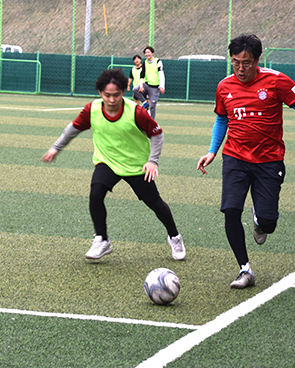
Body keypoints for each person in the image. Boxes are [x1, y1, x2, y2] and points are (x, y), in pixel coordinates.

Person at [196, 34, 295, 289]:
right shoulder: (224, 87)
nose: (241, 68)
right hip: (235, 157)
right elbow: (222, 119)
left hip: (269, 160)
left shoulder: (275, 81)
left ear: (257, 60)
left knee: (268, 222)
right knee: (230, 211)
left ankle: (259, 219)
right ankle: (245, 269)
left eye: (246, 62)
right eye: (236, 62)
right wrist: (212, 151)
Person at [41, 68, 186, 261]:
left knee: (155, 204)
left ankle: (174, 237)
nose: (111, 99)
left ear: (123, 92)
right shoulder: (92, 109)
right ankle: (102, 239)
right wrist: (56, 148)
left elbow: (157, 134)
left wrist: (152, 161)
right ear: (100, 93)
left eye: (116, 95)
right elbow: (73, 128)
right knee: (96, 192)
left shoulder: (135, 112)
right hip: (107, 161)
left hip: (136, 165)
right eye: (107, 95)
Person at [138, 46, 165, 119]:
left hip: (155, 88)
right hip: (147, 85)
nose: (147, 54)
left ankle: (152, 121)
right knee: (135, 89)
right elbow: (142, 75)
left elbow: (161, 74)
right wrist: (141, 86)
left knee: (153, 105)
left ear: (152, 53)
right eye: (145, 53)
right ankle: (145, 103)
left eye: (148, 52)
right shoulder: (145, 63)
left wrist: (162, 86)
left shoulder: (158, 61)